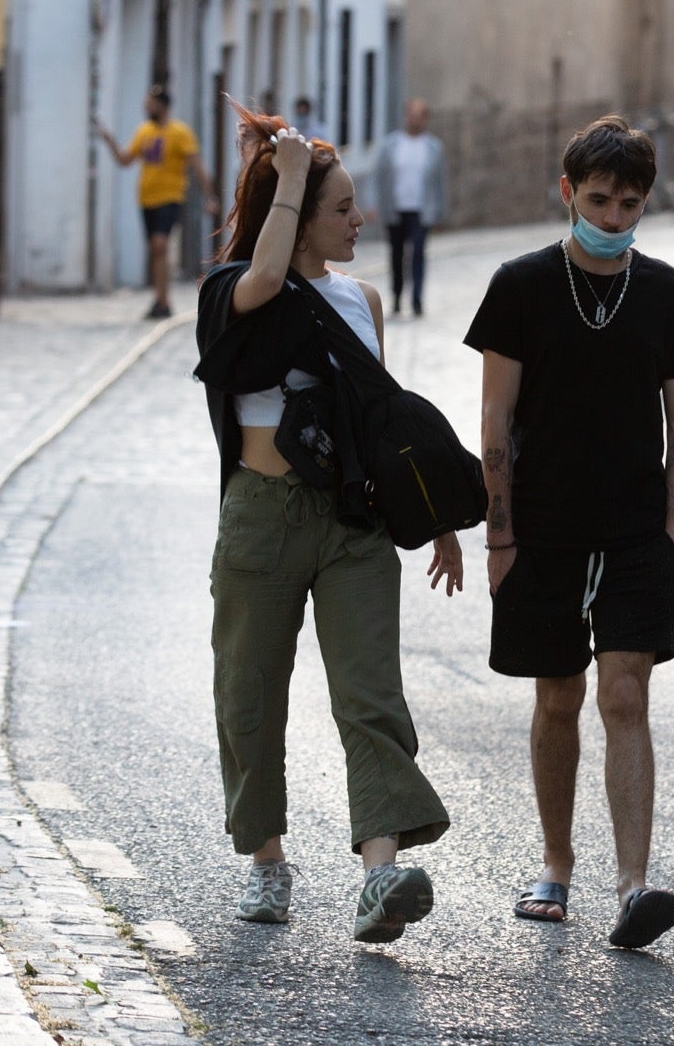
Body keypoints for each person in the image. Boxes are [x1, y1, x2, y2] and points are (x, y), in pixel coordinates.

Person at [192, 106, 462, 944]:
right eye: (341, 208)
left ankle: (381, 874)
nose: (360, 220)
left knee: (370, 694)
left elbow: (379, 421)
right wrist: (293, 172)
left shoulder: (364, 302)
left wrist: (438, 516)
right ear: (300, 217)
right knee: (248, 692)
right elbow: (267, 279)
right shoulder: (235, 292)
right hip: (262, 517)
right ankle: (266, 861)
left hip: (353, 520)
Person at [466, 114, 674, 951]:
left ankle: (634, 883)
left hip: (639, 533)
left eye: (629, 205)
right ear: (568, 193)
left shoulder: (670, 294)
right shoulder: (520, 286)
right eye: (599, 200)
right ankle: (556, 863)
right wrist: (500, 539)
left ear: (647, 203)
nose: (612, 219)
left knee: (626, 693)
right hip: (542, 531)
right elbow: (494, 421)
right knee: (558, 697)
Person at [98, 85, 219, 319]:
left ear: (163, 106)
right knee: (155, 250)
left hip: (171, 197)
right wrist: (110, 141)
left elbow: (197, 166)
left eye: (150, 104)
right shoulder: (144, 132)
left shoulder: (180, 132)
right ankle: (160, 300)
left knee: (160, 244)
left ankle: (163, 300)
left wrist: (209, 196)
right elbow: (125, 160)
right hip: (147, 199)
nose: (147, 108)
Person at [371, 99, 448, 316]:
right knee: (396, 254)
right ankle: (396, 295)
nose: (414, 120)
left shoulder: (433, 147)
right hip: (396, 208)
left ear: (425, 119)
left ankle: (416, 299)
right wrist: (374, 205)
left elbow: (440, 182)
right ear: (405, 116)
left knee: (418, 253)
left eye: (419, 115)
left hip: (421, 210)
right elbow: (379, 177)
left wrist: (441, 211)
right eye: (411, 115)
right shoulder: (391, 145)